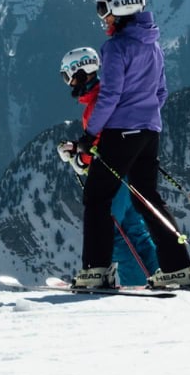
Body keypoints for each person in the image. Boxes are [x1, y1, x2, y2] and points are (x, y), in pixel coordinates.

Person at [55, 0, 190, 290]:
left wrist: (89, 135)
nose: (103, 18)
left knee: (97, 196)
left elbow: (110, 96)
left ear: (121, 9)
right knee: (147, 197)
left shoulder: (116, 47)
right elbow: (161, 92)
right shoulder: (153, 45)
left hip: (121, 132)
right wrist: (144, 116)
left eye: (105, 10)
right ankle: (179, 267)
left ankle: (95, 271)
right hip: (149, 132)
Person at [56, 43, 159, 283]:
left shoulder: (96, 106)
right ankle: (158, 275)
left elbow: (101, 146)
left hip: (114, 176)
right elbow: (104, 140)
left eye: (68, 77)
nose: (69, 84)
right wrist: (78, 149)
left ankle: (136, 286)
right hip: (130, 172)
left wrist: (80, 160)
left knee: (112, 233)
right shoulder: (106, 98)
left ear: (81, 73)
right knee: (135, 231)